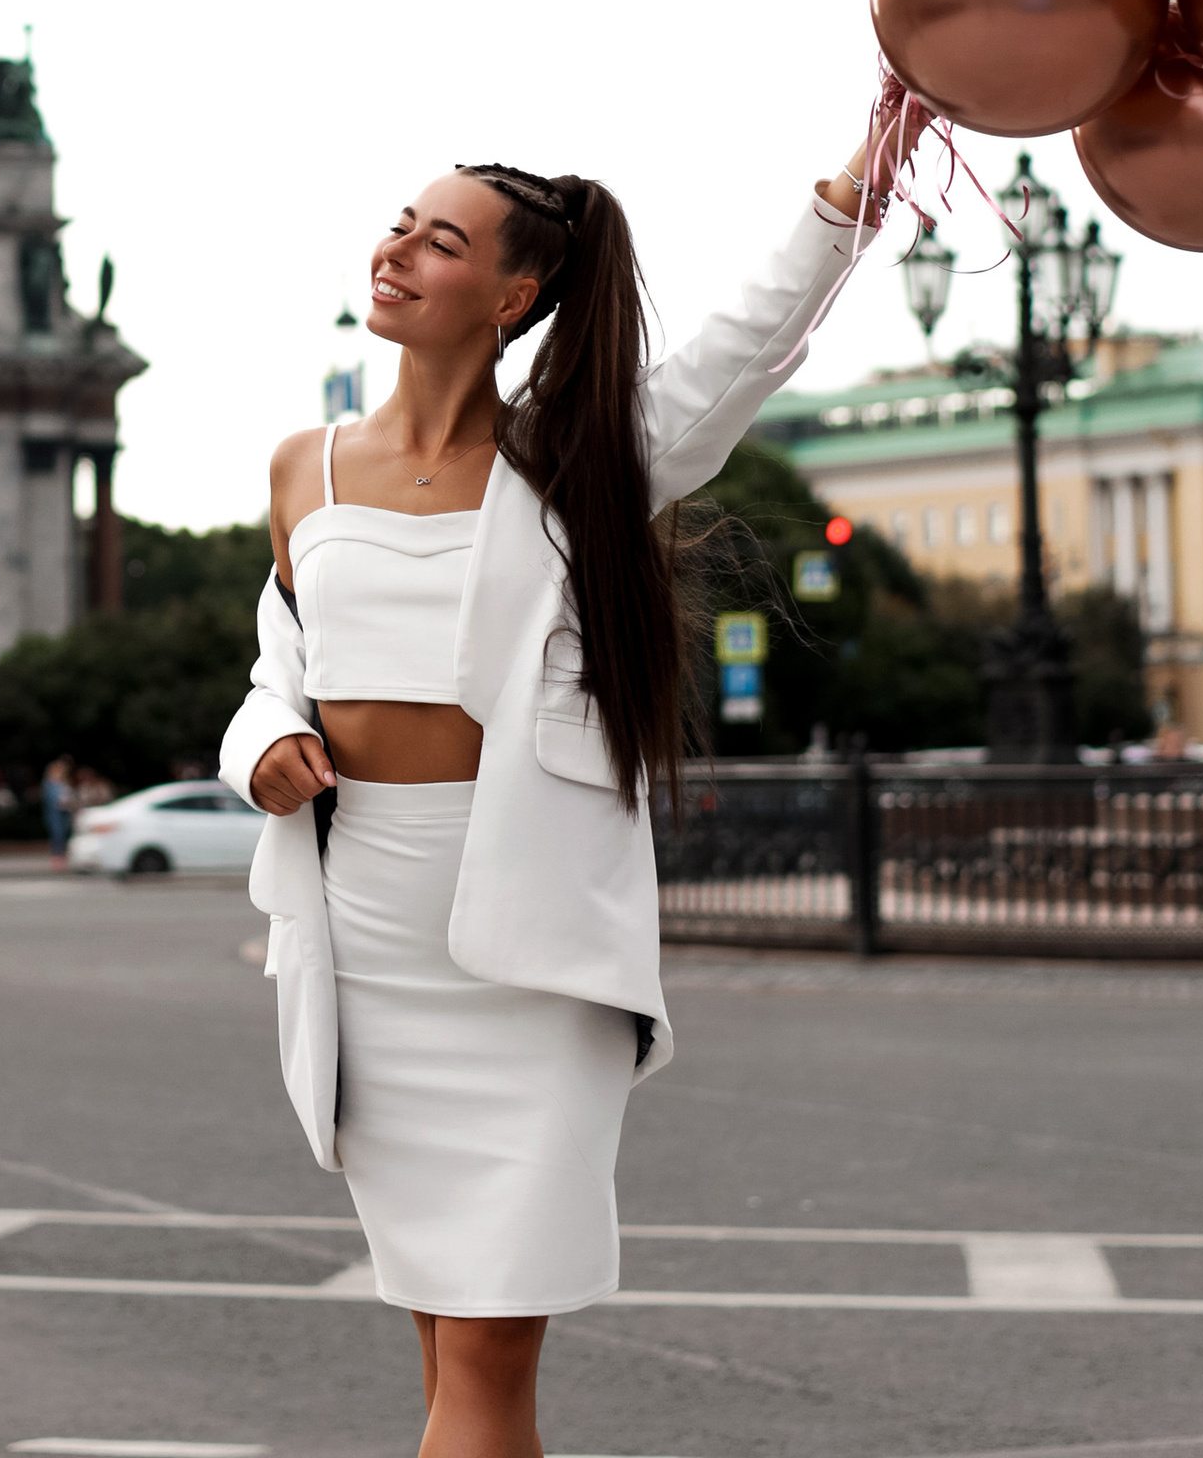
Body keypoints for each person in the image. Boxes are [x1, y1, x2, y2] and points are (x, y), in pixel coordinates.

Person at [220, 93, 924, 1458]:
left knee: (480, 1363)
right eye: (398, 227)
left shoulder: (579, 457)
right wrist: (264, 750)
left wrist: (860, 181)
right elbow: (274, 667)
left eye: (440, 242)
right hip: (364, 931)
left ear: (514, 294)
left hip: (530, 953)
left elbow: (748, 345)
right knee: (454, 1363)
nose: (398, 253)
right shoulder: (300, 468)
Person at [42, 757, 76, 864]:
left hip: (66, 810)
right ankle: (56, 855)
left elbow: (70, 796)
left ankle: (62, 854)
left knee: (65, 832)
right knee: (58, 833)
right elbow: (51, 799)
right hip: (55, 812)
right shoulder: (50, 784)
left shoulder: (65, 783)